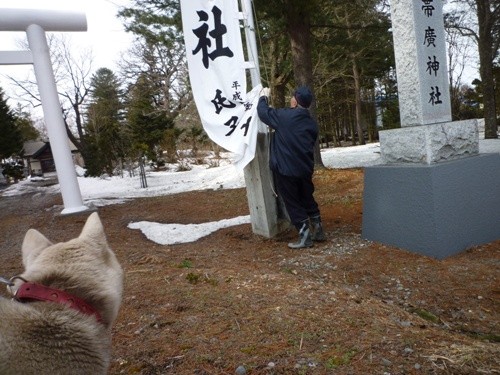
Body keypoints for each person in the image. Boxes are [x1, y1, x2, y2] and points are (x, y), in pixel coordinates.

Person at [257, 86, 326, 249]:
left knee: (293, 202)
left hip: (286, 170)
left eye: (292, 96)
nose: (290, 98)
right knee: (307, 198)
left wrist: (263, 98)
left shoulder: (284, 117)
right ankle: (318, 230)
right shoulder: (311, 123)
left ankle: (305, 237)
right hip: (305, 169)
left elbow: (263, 112)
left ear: (296, 100)